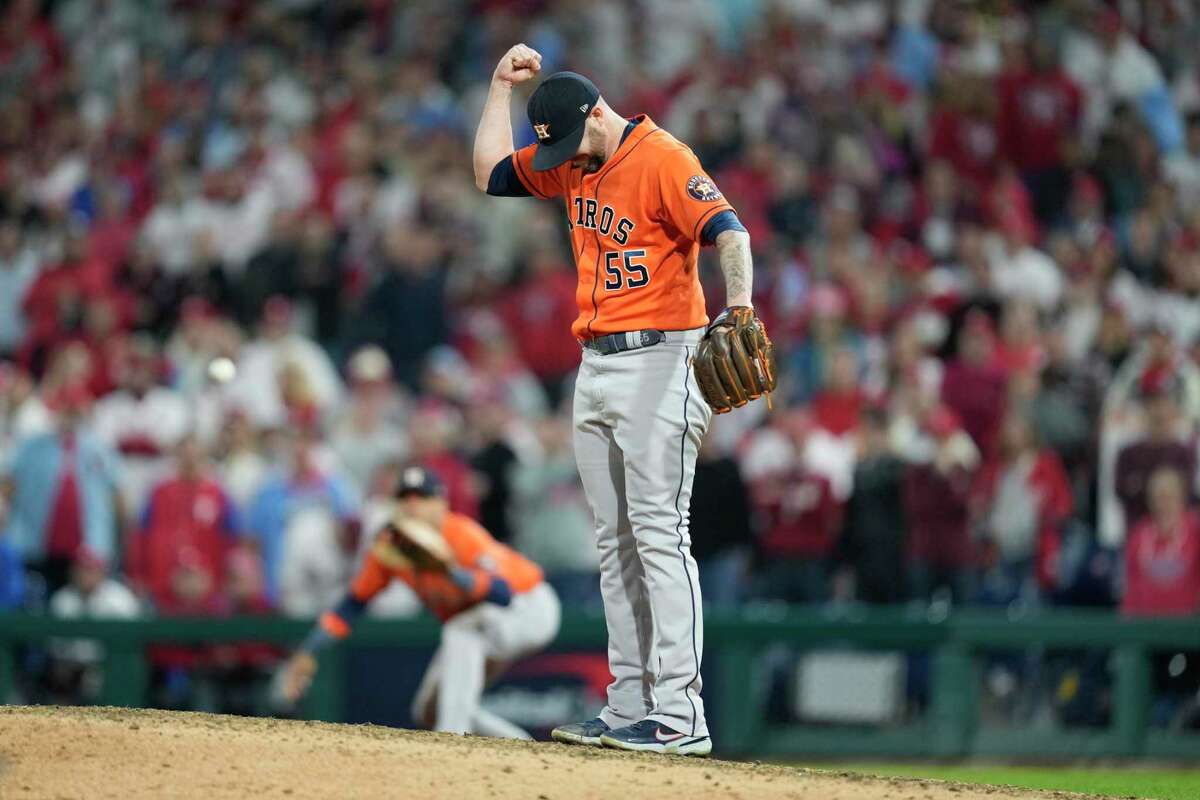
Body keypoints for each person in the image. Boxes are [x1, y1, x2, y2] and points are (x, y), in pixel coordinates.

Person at [473, 43, 764, 756]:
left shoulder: (663, 157)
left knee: (660, 535)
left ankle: (681, 714)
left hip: (665, 358)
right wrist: (497, 89)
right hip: (596, 363)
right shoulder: (567, 159)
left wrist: (743, 306)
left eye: (572, 142)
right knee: (616, 544)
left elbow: (729, 231)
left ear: (598, 113)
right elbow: (488, 175)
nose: (566, 159)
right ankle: (630, 702)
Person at [280, 467, 560, 739]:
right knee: (429, 710)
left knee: (460, 632)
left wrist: (450, 572)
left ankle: (451, 739)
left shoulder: (461, 535)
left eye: (423, 498)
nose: (413, 506)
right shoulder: (391, 547)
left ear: (441, 504)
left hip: (529, 609)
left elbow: (503, 593)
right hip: (477, 624)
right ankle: (519, 744)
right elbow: (353, 604)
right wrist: (310, 650)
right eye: (405, 498)